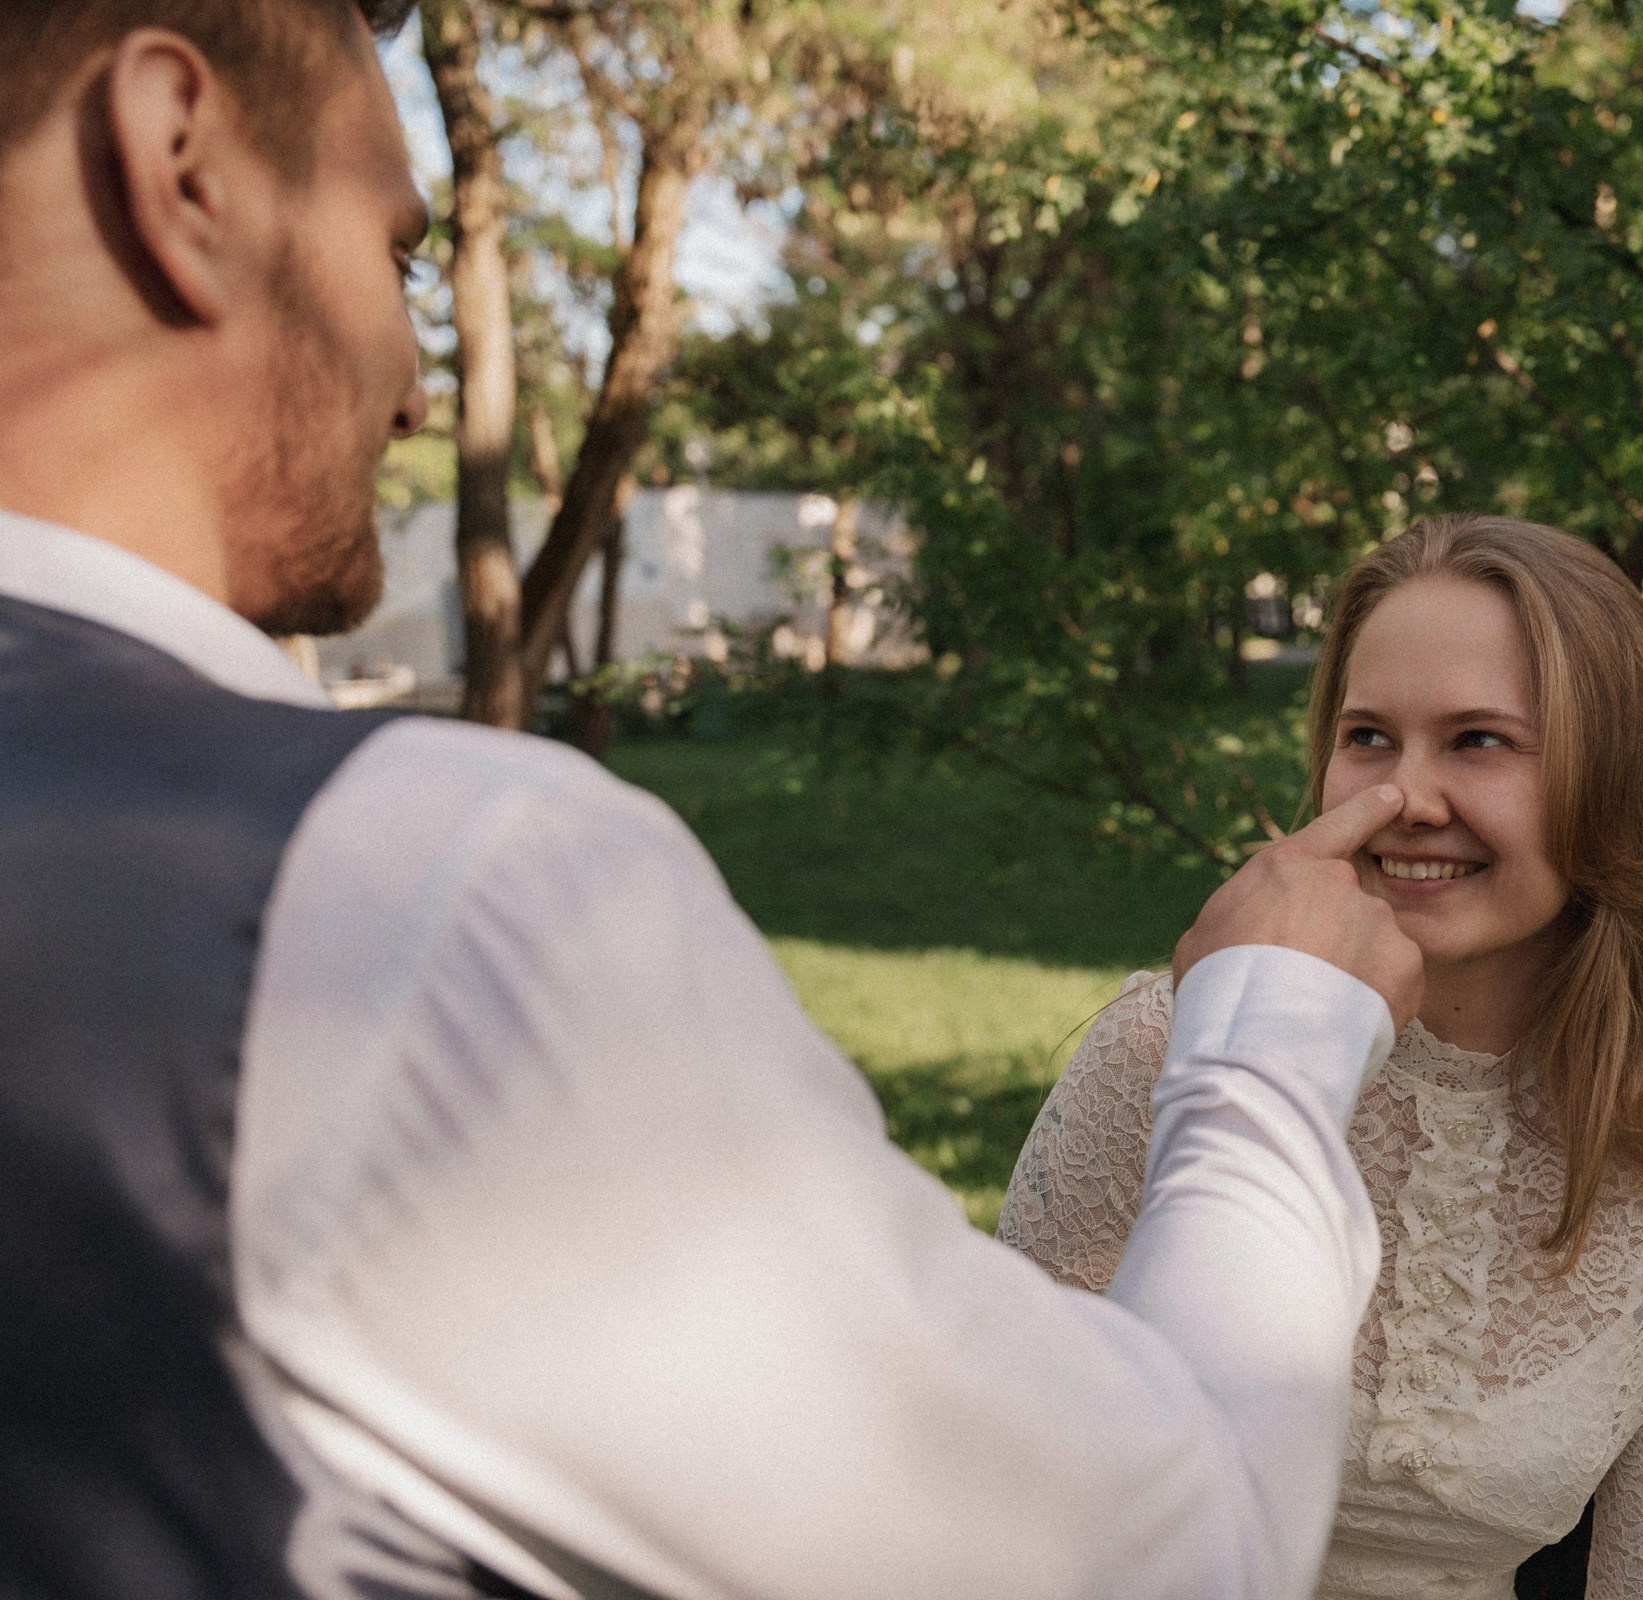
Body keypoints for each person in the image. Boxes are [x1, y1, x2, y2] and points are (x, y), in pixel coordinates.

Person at [0, 4, 1423, 1598]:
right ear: (176, 158)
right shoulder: (411, 897)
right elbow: (1174, 1560)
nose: (413, 392)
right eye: (400, 256)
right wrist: (1275, 1036)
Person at [1000, 515, 1643, 1599]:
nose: (1405, 797)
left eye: (1479, 740)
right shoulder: (1173, 1045)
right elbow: (1001, 1494)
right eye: (1369, 736)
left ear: (1610, 781)